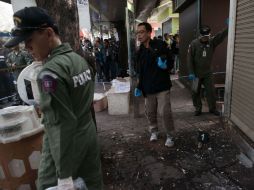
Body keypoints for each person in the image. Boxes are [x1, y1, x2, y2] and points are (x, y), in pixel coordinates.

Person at [4, 7, 103, 190]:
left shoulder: (50, 73)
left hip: (65, 147)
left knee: (46, 186)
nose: (27, 48)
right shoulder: (78, 60)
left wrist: (64, 175)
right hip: (88, 136)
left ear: (48, 33)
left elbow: (61, 125)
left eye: (29, 40)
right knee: (93, 182)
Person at [135, 22, 175, 147]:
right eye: (137, 33)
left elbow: (171, 61)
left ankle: (170, 135)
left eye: (141, 32)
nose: (139, 35)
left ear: (149, 32)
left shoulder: (160, 45)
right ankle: (154, 131)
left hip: (162, 86)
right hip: (148, 88)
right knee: (150, 112)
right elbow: (140, 72)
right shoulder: (139, 51)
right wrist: (139, 86)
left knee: (165, 112)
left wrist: (166, 65)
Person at [187, 25, 228, 116]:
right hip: (196, 73)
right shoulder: (194, 44)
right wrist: (191, 72)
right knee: (195, 92)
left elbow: (220, 36)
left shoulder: (212, 42)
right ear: (200, 36)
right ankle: (198, 109)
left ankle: (212, 109)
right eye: (204, 37)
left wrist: (228, 27)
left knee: (211, 91)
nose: (206, 39)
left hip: (208, 73)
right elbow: (189, 59)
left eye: (207, 37)